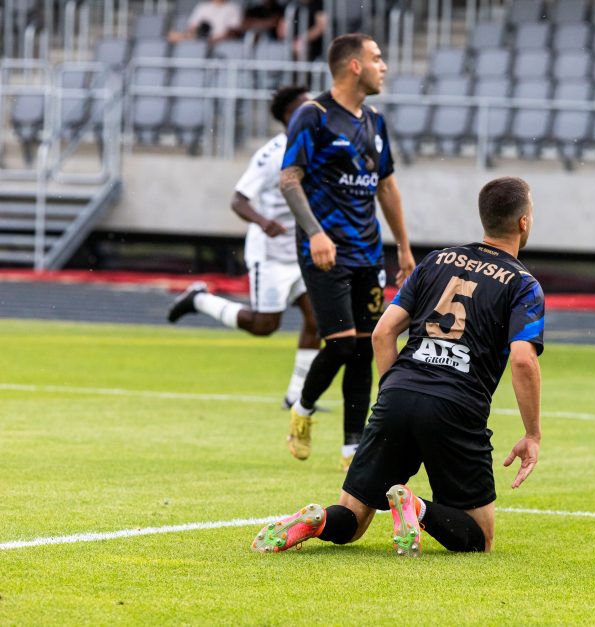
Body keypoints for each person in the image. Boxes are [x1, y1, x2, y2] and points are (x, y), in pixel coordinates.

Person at [251, 176, 545, 556]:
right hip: (457, 407)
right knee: (479, 538)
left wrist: (393, 393)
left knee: (352, 520)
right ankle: (415, 506)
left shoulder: (435, 262)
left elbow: (382, 334)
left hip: (399, 390)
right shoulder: (523, 284)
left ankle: (318, 518)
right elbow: (522, 359)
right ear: (523, 222)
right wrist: (532, 434)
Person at [279, 33, 416, 471]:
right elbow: (289, 179)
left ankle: (352, 449)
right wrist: (316, 233)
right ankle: (302, 409)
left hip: (368, 255)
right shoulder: (313, 116)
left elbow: (387, 186)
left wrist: (405, 248)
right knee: (338, 345)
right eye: (377, 58)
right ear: (354, 65)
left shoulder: (375, 122)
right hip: (326, 253)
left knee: (364, 347)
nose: (384, 66)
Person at [167, 86, 321, 409]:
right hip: (271, 253)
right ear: (289, 115)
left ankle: (296, 396)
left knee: (317, 320)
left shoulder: (316, 146)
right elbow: (238, 200)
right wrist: (264, 222)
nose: (314, 111)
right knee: (265, 326)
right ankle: (200, 300)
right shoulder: (271, 155)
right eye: (306, 107)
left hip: (303, 250)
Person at [168, 0, 243, 44]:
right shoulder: (202, 7)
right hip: (200, 39)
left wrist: (216, 39)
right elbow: (193, 27)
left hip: (221, 41)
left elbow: (233, 31)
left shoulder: (233, 8)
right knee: (173, 36)